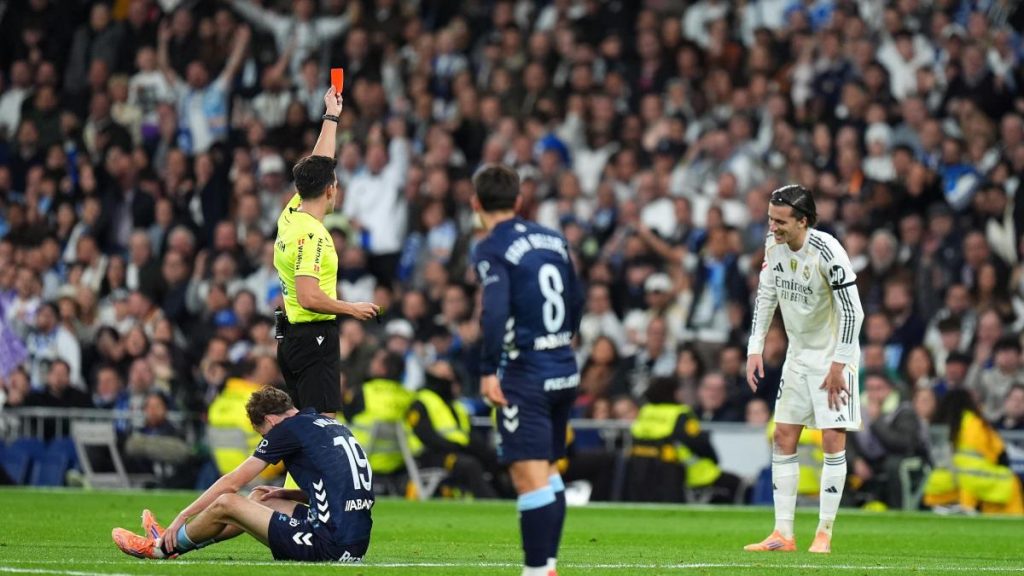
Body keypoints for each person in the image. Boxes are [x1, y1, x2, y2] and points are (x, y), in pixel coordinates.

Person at [472, 164, 584, 576]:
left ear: (476, 203)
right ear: (519, 201)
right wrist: (562, 340)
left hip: (526, 374)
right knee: (548, 470)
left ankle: (537, 570)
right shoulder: (554, 239)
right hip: (563, 367)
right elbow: (578, 298)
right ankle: (548, 566)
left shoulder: (490, 247)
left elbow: (495, 310)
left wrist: (487, 369)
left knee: (529, 479)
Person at [111, 386, 374, 562]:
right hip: (355, 541)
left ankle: (161, 548)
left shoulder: (286, 429)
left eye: (263, 435)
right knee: (262, 496)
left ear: (270, 421)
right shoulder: (327, 424)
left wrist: (183, 515)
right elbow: (344, 486)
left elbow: (232, 482)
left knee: (227, 502)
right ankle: (175, 542)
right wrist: (288, 492)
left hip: (330, 545)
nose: (267, 440)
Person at [745, 184, 865, 554]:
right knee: (783, 436)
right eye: (770, 219)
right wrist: (755, 347)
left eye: (780, 221)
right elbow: (767, 293)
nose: (773, 227)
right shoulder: (773, 245)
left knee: (832, 440)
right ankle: (783, 534)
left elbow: (853, 312)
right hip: (798, 356)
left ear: (803, 220)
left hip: (832, 357)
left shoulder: (829, 252)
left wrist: (839, 364)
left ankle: (824, 533)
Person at [273, 86, 379, 418]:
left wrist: (331, 116)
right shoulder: (313, 234)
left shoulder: (292, 213)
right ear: (331, 189)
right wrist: (351, 308)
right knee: (321, 426)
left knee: (307, 426)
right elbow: (309, 296)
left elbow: (318, 164)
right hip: (313, 336)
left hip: (293, 335)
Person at [923, 389, 1023, 515]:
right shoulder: (977, 423)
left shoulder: (940, 424)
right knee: (1010, 481)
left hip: (944, 480)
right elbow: (1000, 454)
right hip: (976, 478)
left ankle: (952, 507)